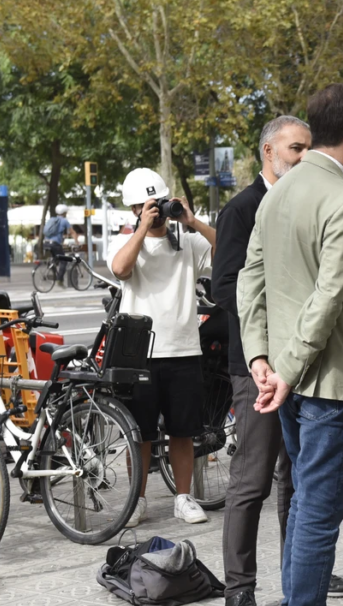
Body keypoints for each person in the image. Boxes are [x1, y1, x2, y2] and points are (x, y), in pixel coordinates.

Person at [237, 83, 343, 606]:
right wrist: (288, 371)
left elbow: (250, 279)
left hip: (286, 377)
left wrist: (260, 360)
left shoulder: (280, 191)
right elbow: (329, 297)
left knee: (302, 505)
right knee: (319, 509)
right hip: (321, 379)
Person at [212, 115, 343, 606]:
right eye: (295, 148)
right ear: (268, 152)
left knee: (296, 482)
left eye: (307, 147)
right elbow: (228, 287)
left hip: (302, 368)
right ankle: (240, 589)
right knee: (251, 479)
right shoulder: (245, 207)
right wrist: (263, 357)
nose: (303, 155)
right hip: (259, 367)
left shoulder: (306, 198)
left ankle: (301, 589)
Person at [109, 168, 217, 527]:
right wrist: (142, 228)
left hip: (184, 349)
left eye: (159, 204)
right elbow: (121, 269)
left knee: (182, 432)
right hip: (139, 354)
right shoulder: (125, 243)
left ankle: (183, 498)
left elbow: (228, 251)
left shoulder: (188, 242)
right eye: (147, 206)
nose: (156, 212)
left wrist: (192, 221)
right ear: (134, 209)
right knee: (138, 433)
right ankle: (136, 501)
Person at [43, 204, 78, 286]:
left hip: (46, 242)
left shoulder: (51, 219)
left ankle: (53, 270)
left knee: (55, 259)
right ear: (64, 213)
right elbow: (72, 232)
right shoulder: (64, 221)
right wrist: (77, 242)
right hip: (55, 244)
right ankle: (59, 280)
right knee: (64, 260)